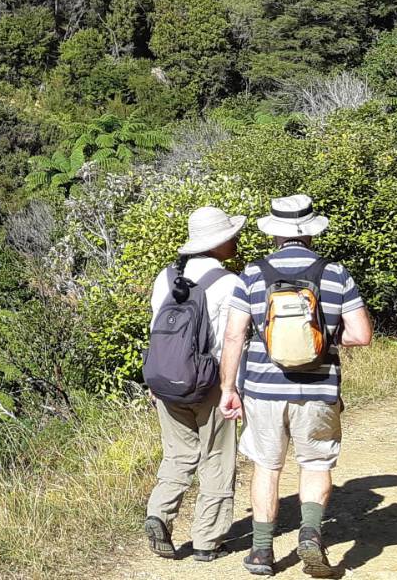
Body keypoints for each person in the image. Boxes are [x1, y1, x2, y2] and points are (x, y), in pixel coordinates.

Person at [217, 194, 374, 577]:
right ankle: (310, 531)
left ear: (275, 234)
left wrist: (228, 389)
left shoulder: (252, 275)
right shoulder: (336, 274)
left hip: (263, 390)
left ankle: (260, 553)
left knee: (268, 467)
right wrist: (325, 339)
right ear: (310, 233)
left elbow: (234, 336)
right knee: (315, 462)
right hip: (318, 389)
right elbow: (362, 335)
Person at [143, 206, 248, 561]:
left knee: (178, 454)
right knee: (217, 455)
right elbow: (231, 340)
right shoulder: (231, 282)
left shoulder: (166, 276)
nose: (235, 240)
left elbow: (158, 331)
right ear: (217, 243)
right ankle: (208, 540)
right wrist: (233, 388)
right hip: (212, 381)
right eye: (231, 236)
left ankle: (159, 513)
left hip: (166, 380)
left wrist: (156, 379)